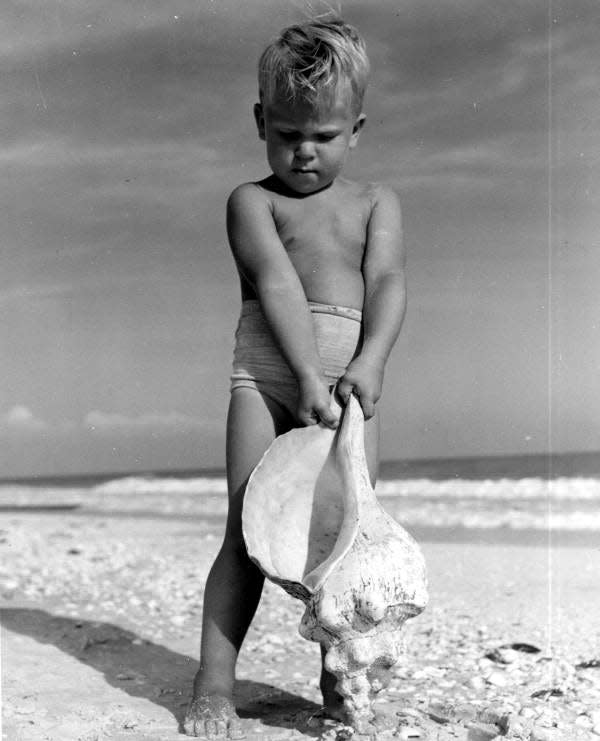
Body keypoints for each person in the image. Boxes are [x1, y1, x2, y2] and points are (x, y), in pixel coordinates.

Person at [184, 16, 406, 739]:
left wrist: (368, 363)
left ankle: (337, 687)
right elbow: (276, 283)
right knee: (244, 530)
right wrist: (305, 374)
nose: (303, 151)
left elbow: (390, 282)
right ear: (259, 121)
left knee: (347, 539)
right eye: (286, 134)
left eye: (325, 136)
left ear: (357, 128)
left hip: (347, 392)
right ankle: (214, 684)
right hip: (270, 374)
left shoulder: (378, 204)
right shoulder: (253, 201)